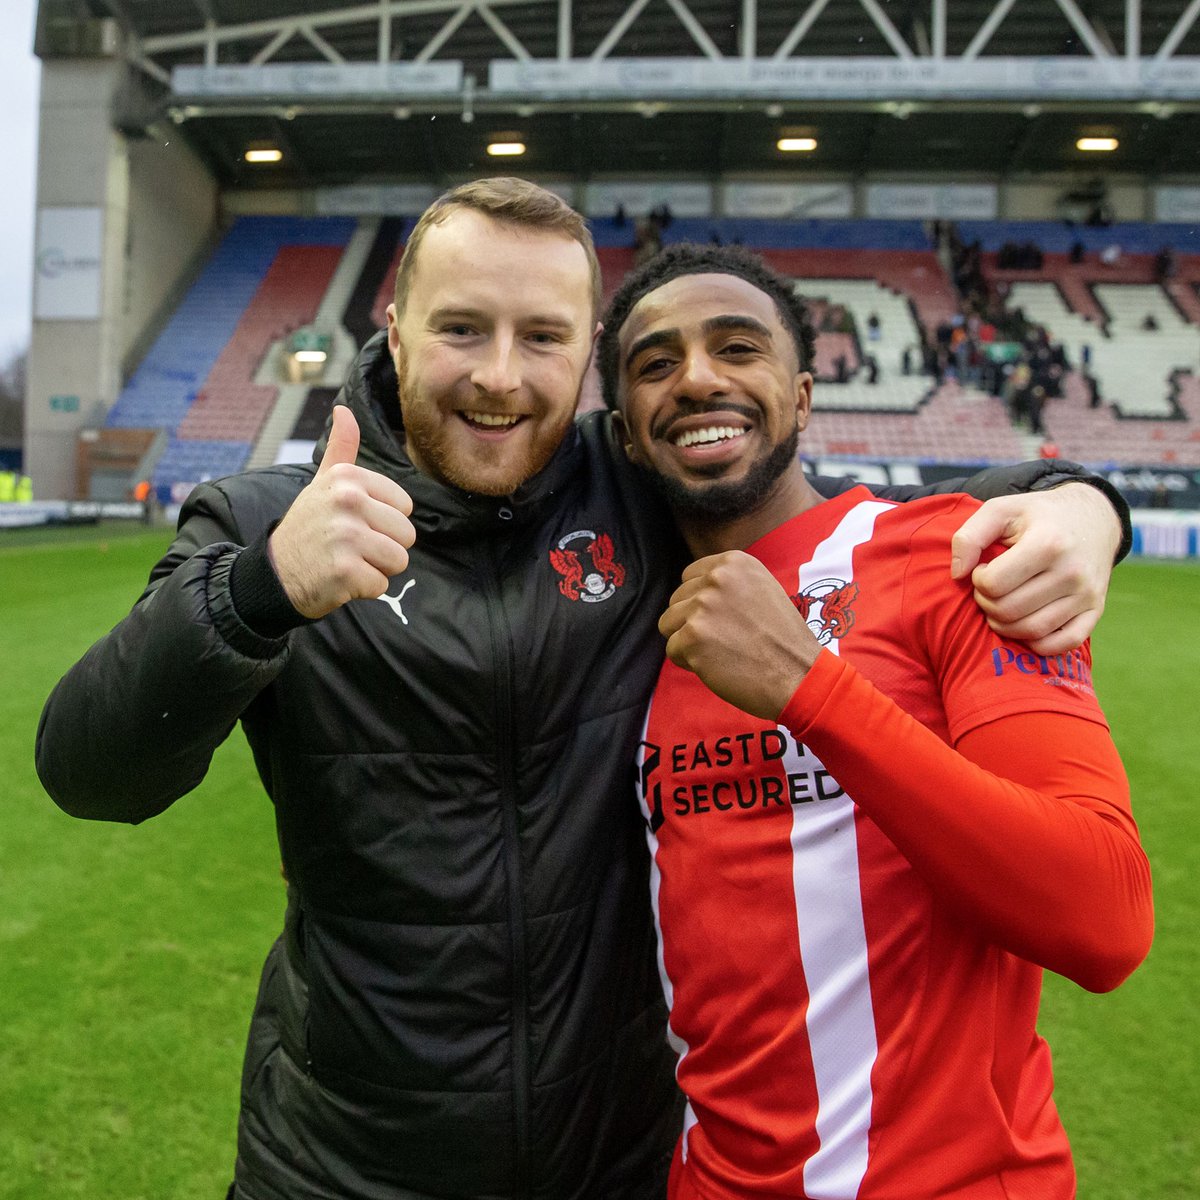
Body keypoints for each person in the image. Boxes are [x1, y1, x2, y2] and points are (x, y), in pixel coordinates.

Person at [37, 179, 1129, 1200]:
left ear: (587, 357)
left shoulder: (640, 486)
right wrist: (259, 592)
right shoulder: (268, 520)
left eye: (543, 338)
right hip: (343, 1161)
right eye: (463, 328)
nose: (501, 377)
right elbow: (90, 770)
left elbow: (840, 502)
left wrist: (1084, 502)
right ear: (397, 326)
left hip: (613, 1161)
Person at [596, 243, 1153, 1200]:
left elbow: (1102, 917)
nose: (696, 379)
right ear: (627, 435)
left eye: (738, 348)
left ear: (803, 397)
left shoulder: (955, 560)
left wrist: (812, 691)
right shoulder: (624, 623)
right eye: (655, 363)